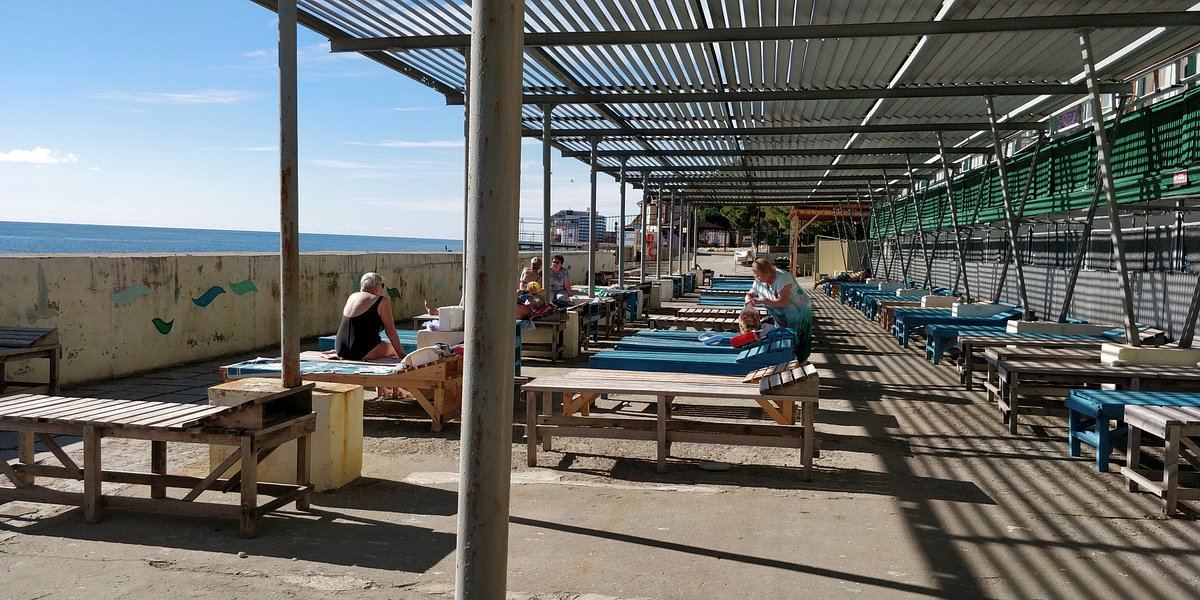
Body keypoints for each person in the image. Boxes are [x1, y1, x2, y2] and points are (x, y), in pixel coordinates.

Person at [335, 272, 405, 398]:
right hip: (361, 350)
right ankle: (395, 389)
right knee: (393, 351)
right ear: (377, 287)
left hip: (341, 349)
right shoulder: (381, 301)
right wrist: (402, 355)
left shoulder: (352, 296)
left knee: (380, 347)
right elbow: (391, 332)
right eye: (382, 286)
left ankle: (382, 388)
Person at [745, 258, 813, 359]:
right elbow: (751, 292)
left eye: (758, 274)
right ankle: (788, 362)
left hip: (798, 313)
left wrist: (763, 300)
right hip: (780, 316)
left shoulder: (782, 278)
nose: (756, 277)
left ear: (768, 272)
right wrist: (748, 298)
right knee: (783, 340)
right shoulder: (759, 280)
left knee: (799, 343)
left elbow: (783, 302)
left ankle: (801, 363)